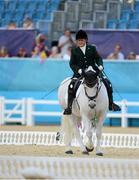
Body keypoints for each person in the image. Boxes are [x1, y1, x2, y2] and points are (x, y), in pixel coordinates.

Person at [63, 30, 121, 115]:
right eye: (78, 40)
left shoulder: (92, 48)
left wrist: (100, 65)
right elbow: (72, 64)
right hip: (80, 73)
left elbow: (98, 58)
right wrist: (79, 70)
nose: (80, 42)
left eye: (82, 40)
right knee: (71, 86)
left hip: (94, 72)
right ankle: (69, 107)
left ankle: (111, 103)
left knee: (108, 83)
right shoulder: (74, 50)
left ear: (85, 40)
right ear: (76, 41)